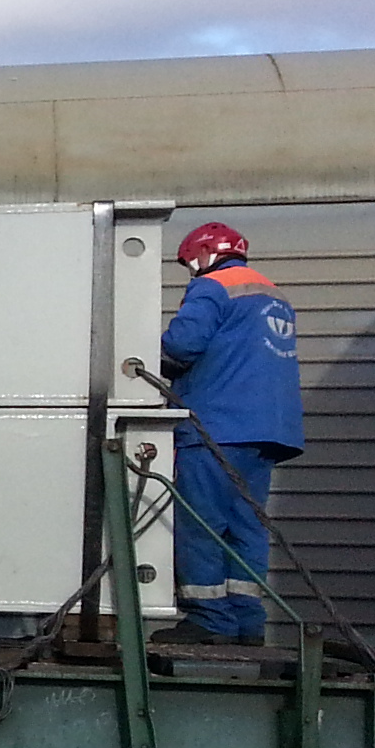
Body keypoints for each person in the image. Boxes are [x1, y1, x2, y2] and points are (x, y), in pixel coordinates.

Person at [158, 221, 302, 643]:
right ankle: (246, 622)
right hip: (269, 431)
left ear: (203, 255)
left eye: (189, 264)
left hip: (217, 426)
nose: (190, 271)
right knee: (246, 526)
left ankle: (209, 620)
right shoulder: (274, 295)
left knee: (201, 522)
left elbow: (181, 346)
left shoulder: (213, 287)